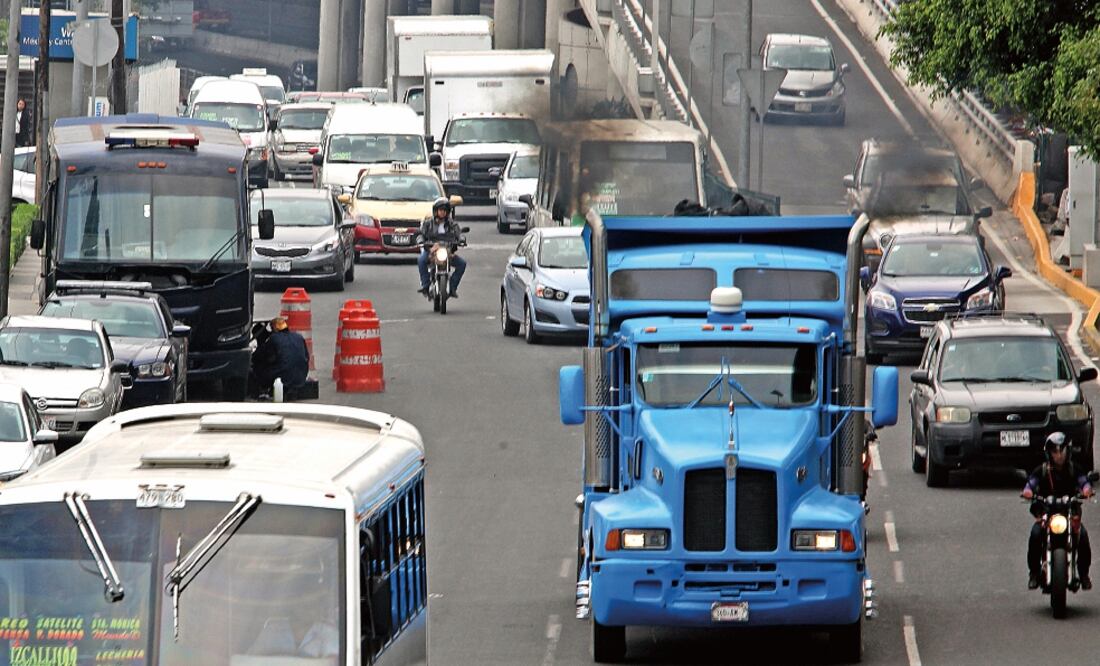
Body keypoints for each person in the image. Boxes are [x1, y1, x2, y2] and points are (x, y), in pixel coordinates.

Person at [1021, 432, 1094, 590]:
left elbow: (1084, 482)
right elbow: (1030, 485)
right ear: (1049, 454)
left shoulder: (1075, 469)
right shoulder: (1041, 471)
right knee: (1035, 535)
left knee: (1082, 536)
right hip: (1047, 515)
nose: (1059, 455)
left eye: (1062, 451)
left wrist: (1087, 490)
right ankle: (1034, 573)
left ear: (1068, 451)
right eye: (1055, 451)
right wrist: (1028, 492)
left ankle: (1083, 574)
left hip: (1069, 513)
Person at [417, 197, 466, 298]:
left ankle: (452, 287)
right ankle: (425, 286)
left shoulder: (452, 224)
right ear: (436, 211)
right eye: (440, 210)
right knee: (421, 260)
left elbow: (459, 234)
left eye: (444, 210)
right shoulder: (428, 223)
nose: (442, 212)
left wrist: (462, 240)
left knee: (462, 264)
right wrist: (421, 241)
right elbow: (420, 234)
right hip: (431, 251)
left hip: (447, 252)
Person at [251, 316, 309, 399]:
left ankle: (262, 390)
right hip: (301, 377)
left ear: (274, 329)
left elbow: (259, 357)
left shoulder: (274, 339)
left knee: (258, 368)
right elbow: (306, 357)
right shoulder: (298, 337)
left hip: (283, 378)